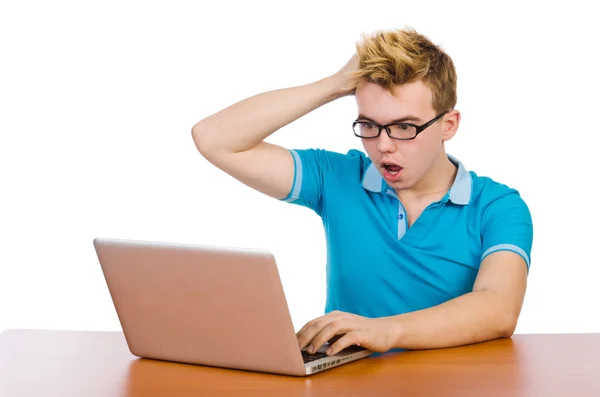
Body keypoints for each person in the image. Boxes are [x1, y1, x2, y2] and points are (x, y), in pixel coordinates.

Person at [191, 27, 533, 357]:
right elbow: (214, 139)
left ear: (448, 125)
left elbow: (498, 307)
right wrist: (334, 85)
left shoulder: (498, 207)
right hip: (346, 384)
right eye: (369, 125)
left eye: (404, 127)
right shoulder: (336, 178)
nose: (383, 145)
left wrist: (384, 330)